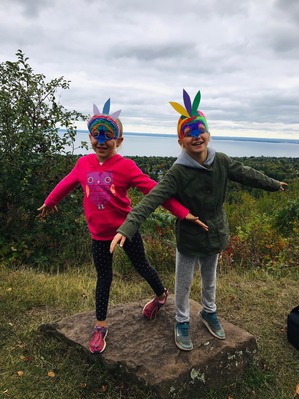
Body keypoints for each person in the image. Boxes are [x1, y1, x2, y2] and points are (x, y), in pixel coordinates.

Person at [110, 89, 288, 351]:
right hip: (189, 237)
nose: (196, 136)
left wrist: (274, 184)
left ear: (208, 133)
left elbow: (248, 174)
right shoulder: (177, 172)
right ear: (181, 140)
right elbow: (152, 198)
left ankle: (208, 312)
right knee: (183, 283)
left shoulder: (222, 161)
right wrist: (127, 226)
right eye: (189, 132)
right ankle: (181, 320)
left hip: (215, 232)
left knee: (210, 277)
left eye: (200, 129)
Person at [37, 99, 206, 354]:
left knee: (141, 266)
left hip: (126, 232)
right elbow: (67, 183)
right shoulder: (83, 164)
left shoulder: (125, 166)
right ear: (90, 137)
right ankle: (100, 326)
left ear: (120, 140)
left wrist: (183, 213)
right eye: (96, 135)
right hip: (99, 236)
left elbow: (155, 191)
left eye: (108, 135)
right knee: (103, 278)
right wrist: (49, 202)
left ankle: (161, 296)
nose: (102, 140)